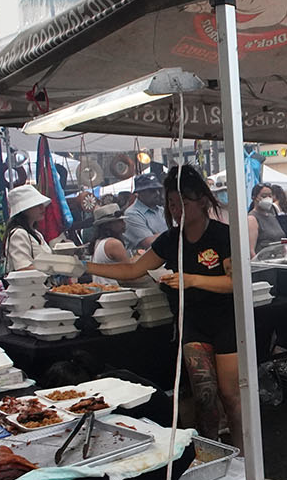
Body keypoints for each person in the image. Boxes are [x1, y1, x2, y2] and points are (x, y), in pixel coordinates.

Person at [89, 164, 242, 439]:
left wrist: (191, 280)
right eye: (171, 204)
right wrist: (85, 267)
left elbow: (234, 283)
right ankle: (210, 448)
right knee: (204, 395)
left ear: (203, 201)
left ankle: (243, 450)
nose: (177, 210)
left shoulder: (222, 235)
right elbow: (133, 270)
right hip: (192, 323)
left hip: (227, 322)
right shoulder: (170, 240)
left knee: (230, 395)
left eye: (183, 203)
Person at [2, 183, 50, 272]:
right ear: (24, 209)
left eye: (42, 204)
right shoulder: (19, 234)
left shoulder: (36, 234)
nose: (42, 208)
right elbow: (22, 267)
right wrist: (53, 268)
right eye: (36, 205)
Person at [121, 172, 167, 253]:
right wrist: (173, 233)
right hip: (147, 259)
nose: (157, 193)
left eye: (158, 189)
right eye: (152, 191)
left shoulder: (161, 210)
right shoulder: (132, 214)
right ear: (140, 193)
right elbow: (149, 243)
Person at [247, 183, 287, 255]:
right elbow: (251, 250)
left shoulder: (272, 216)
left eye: (270, 196)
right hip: (264, 259)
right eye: (264, 196)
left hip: (278, 258)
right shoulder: (252, 218)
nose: (267, 198)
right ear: (254, 198)